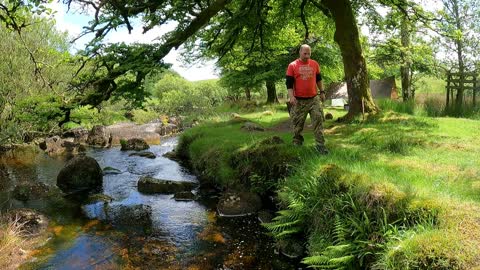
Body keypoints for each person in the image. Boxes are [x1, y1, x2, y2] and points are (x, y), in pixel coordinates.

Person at [286, 44, 328, 154]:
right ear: (300, 52)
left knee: (318, 120)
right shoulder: (292, 65)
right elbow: (289, 84)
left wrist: (322, 92)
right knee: (297, 124)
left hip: (314, 99)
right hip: (299, 101)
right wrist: (291, 96)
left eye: (309, 53)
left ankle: (320, 146)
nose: (307, 55)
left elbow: (319, 79)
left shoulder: (314, 64)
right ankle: (297, 143)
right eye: (305, 53)